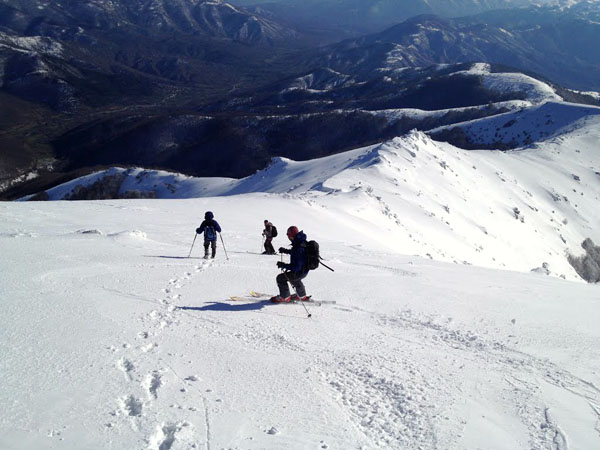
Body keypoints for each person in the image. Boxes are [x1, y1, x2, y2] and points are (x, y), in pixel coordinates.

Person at [271, 226, 310, 303]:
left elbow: (296, 267)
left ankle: (285, 297)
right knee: (294, 278)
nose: (287, 237)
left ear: (291, 236)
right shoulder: (300, 241)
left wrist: (284, 265)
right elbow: (296, 253)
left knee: (280, 278)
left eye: (288, 235)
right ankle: (302, 296)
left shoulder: (298, 246)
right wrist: (285, 251)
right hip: (304, 271)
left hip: (300, 271)